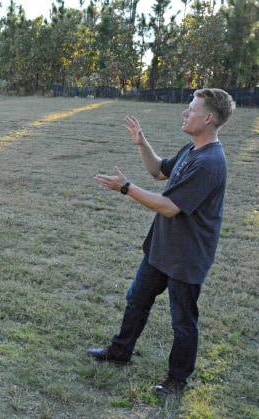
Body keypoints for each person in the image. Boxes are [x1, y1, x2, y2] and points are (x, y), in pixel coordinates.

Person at [89, 88, 236, 396]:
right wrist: (141, 142)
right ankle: (120, 351)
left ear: (208, 118)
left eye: (192, 109)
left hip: (188, 254)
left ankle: (177, 379)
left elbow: (170, 206)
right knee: (137, 299)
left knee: (183, 321)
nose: (185, 113)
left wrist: (126, 188)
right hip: (162, 246)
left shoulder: (210, 162)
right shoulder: (192, 150)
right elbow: (158, 171)